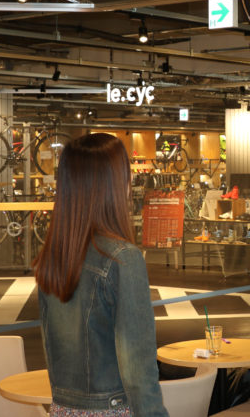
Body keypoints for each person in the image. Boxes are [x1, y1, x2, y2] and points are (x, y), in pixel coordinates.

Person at [33, 133, 168, 417]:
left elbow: (51, 348)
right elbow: (138, 370)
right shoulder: (122, 258)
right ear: (115, 185)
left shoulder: (54, 256)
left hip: (62, 409)